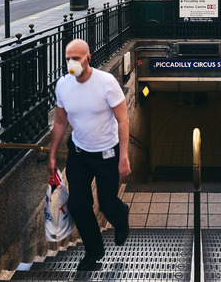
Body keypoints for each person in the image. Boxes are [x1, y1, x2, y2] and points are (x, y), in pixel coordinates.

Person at [48, 39, 131, 271]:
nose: (71, 63)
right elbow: (61, 121)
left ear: (88, 58)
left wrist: (123, 156)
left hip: (107, 154)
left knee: (107, 204)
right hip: (79, 155)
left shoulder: (106, 83)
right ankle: (94, 252)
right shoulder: (63, 85)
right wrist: (52, 154)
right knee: (77, 205)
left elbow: (123, 120)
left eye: (76, 58)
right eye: (67, 58)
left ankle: (121, 216)